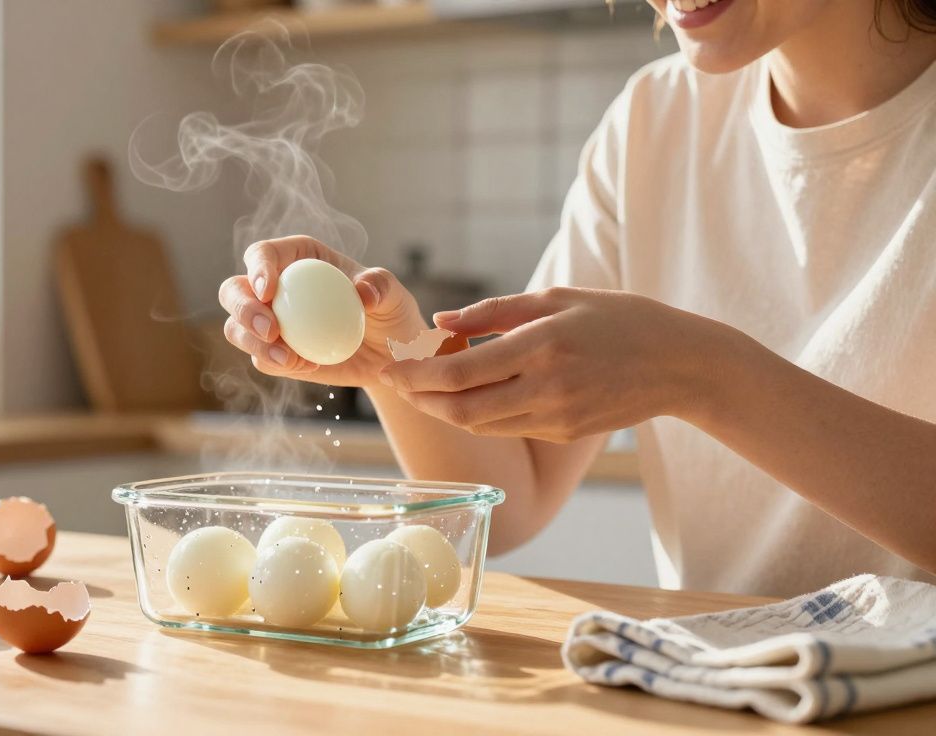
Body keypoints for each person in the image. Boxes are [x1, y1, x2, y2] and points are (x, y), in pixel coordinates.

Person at [216, 0, 936, 598]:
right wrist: (392, 353)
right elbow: (514, 495)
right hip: (726, 688)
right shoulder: (655, 121)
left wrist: (706, 375)